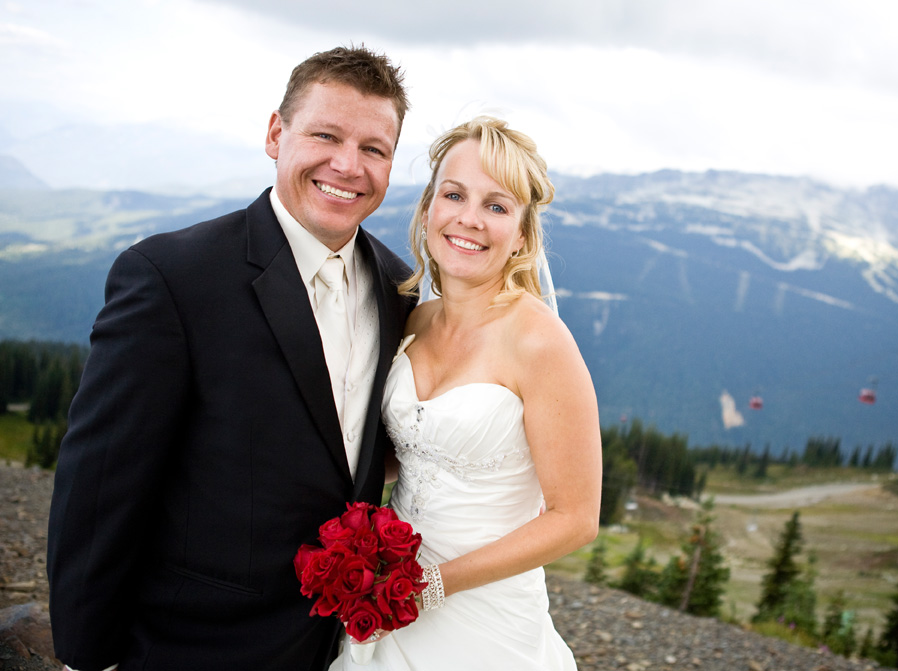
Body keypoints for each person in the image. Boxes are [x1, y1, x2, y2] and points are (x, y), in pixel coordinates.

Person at [46, 46, 416, 671]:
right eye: (325, 135)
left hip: (335, 646)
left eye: (374, 149)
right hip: (190, 646)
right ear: (276, 134)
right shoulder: (171, 277)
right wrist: (90, 656)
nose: (347, 165)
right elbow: (101, 484)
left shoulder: (399, 288)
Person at [331, 116, 602, 670]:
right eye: (454, 195)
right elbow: (398, 456)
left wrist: (431, 586)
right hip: (385, 602)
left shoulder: (540, 342)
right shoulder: (413, 321)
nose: (469, 220)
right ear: (430, 206)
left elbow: (575, 518)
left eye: (497, 206)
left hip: (484, 620)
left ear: (522, 233)